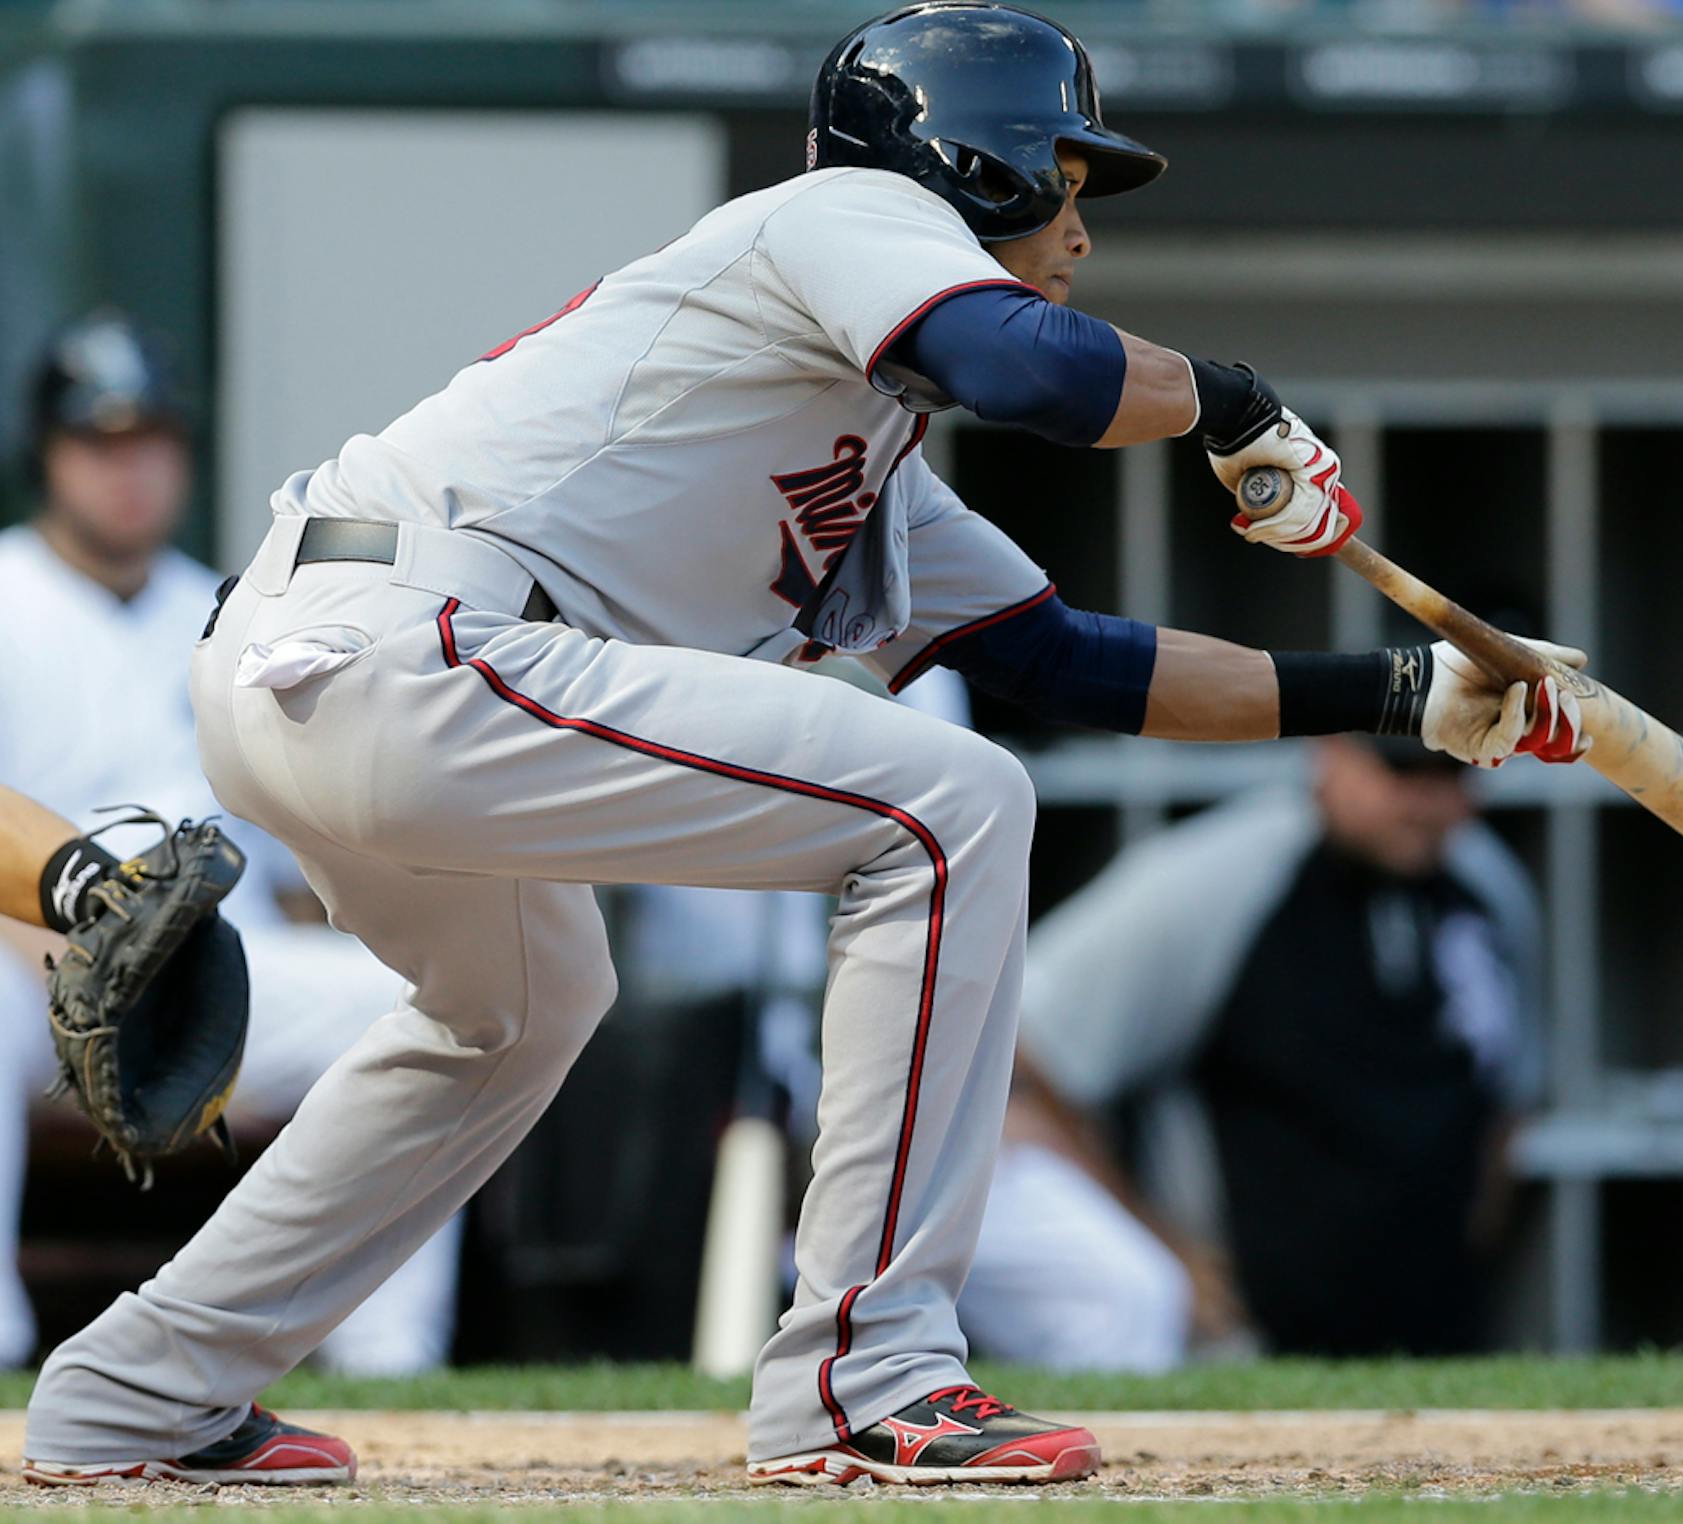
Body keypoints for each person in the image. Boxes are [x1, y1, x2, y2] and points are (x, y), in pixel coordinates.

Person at [22, 2, 1587, 1490]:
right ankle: (868, 1375)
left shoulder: (865, 445)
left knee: (526, 1005)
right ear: (968, 163)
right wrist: (1231, 405)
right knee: (949, 803)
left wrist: (1398, 697)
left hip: (345, 670)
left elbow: (1071, 661)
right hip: (411, 640)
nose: (1082, 231)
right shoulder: (833, 216)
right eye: (1062, 182)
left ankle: (140, 1392)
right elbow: (1029, 371)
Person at [0, 312, 460, 1380]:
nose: (131, 471)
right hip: (31, 973)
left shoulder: (229, 616)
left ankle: (392, 1360)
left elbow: (297, 864)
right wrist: (64, 958)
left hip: (215, 969)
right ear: (49, 454)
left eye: (151, 441)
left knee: (419, 1005)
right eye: (102, 444)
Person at [959, 737, 1541, 1369]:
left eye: (1453, 775)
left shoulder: (1484, 885)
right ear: (1333, 754)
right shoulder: (1223, 875)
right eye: (1401, 771)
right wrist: (1161, 1249)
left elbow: (1511, 1090)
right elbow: (1028, 1046)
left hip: (1435, 1325)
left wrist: (1477, 1228)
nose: (1428, 801)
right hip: (1250, 1332)